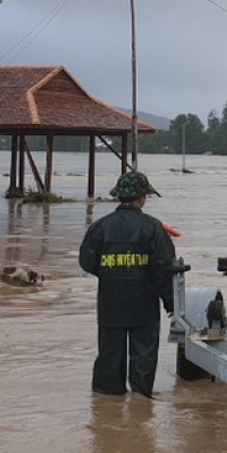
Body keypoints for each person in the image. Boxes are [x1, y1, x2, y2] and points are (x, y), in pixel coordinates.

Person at [78, 170, 176, 399]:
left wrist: (111, 274)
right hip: (144, 305)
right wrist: (171, 302)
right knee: (144, 357)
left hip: (110, 303)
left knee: (110, 357)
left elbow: (86, 261)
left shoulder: (100, 227)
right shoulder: (153, 228)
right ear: (141, 197)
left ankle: (106, 407)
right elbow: (164, 269)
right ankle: (141, 404)